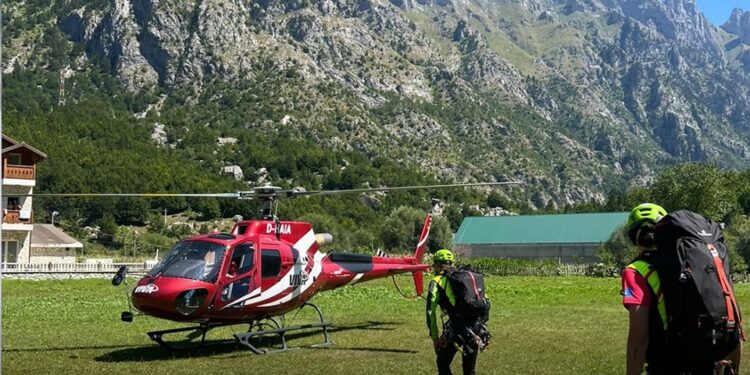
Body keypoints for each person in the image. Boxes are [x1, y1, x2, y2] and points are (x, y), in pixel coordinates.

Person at [622, 203, 670, 375]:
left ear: (633, 238)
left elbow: (638, 341)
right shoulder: (686, 262)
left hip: (665, 366)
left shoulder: (636, 272)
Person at [426, 249, 483, 375]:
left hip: (458, 329)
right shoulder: (464, 277)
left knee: (442, 362)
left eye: (434, 264)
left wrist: (435, 338)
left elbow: (430, 312)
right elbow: (483, 302)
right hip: (477, 327)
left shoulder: (436, 282)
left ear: (437, 265)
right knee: (469, 370)